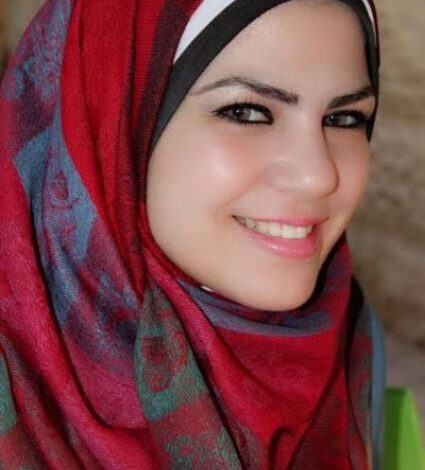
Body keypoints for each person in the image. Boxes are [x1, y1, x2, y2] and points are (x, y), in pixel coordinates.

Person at [0, 0, 385, 468]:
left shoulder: (350, 339)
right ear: (109, 125)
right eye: (246, 111)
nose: (317, 176)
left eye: (344, 119)